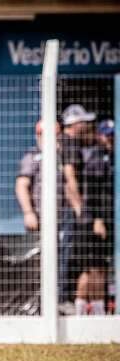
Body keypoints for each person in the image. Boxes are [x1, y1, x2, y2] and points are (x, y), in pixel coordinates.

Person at [15, 120, 72, 313]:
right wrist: (28, 212)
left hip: (63, 218)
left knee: (64, 258)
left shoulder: (65, 157)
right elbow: (22, 185)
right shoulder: (33, 157)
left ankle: (61, 300)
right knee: (39, 261)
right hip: (40, 220)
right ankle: (38, 304)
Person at [72, 119, 114, 315]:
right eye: (108, 136)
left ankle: (97, 311)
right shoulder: (97, 157)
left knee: (100, 268)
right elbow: (95, 189)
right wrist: (97, 218)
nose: (111, 140)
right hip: (94, 220)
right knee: (93, 268)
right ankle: (90, 313)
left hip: (105, 218)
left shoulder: (109, 157)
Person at [60, 104, 97, 314]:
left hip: (68, 209)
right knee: (69, 252)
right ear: (74, 124)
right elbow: (70, 179)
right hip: (71, 210)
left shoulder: (64, 143)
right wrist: (80, 208)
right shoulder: (71, 144)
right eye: (83, 121)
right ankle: (63, 298)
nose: (87, 125)